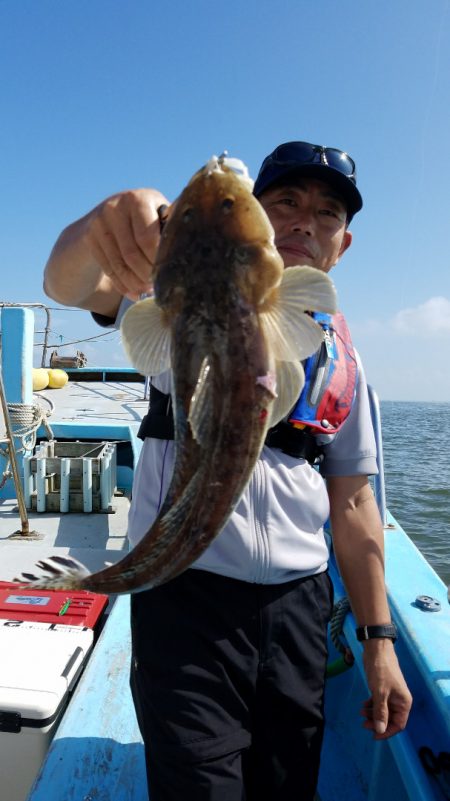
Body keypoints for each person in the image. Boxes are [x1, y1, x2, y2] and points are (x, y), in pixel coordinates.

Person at [43, 141, 412, 801]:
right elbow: (65, 284)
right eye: (286, 202)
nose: (305, 222)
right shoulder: (177, 305)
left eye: (327, 213)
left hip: (298, 606)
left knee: (287, 781)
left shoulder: (345, 368)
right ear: (259, 219)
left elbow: (356, 507)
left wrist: (378, 639)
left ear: (343, 244)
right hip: (188, 599)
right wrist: (100, 228)